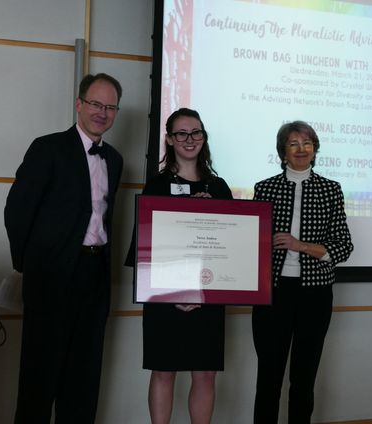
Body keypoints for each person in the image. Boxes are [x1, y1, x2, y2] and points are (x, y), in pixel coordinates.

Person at [4, 73, 123, 424]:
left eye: (110, 106)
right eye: (95, 104)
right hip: (50, 278)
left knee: (84, 381)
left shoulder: (114, 160)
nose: (102, 112)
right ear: (79, 105)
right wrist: (29, 267)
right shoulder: (47, 147)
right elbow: (17, 210)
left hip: (95, 276)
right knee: (39, 379)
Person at [125, 108, 232, 424]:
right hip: (165, 297)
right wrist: (175, 292)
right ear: (170, 139)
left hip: (208, 297)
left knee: (206, 375)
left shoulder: (220, 187)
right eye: (182, 133)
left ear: (203, 137)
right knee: (163, 372)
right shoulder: (156, 186)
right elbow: (145, 250)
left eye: (196, 132)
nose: (190, 139)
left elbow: (231, 248)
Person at [252, 120, 353, 423]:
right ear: (283, 151)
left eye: (307, 143)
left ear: (315, 149)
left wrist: (300, 245)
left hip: (315, 295)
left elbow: (344, 246)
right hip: (273, 293)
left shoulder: (330, 190)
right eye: (293, 143)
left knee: (304, 378)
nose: (301, 149)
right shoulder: (265, 188)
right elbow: (252, 241)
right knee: (268, 377)